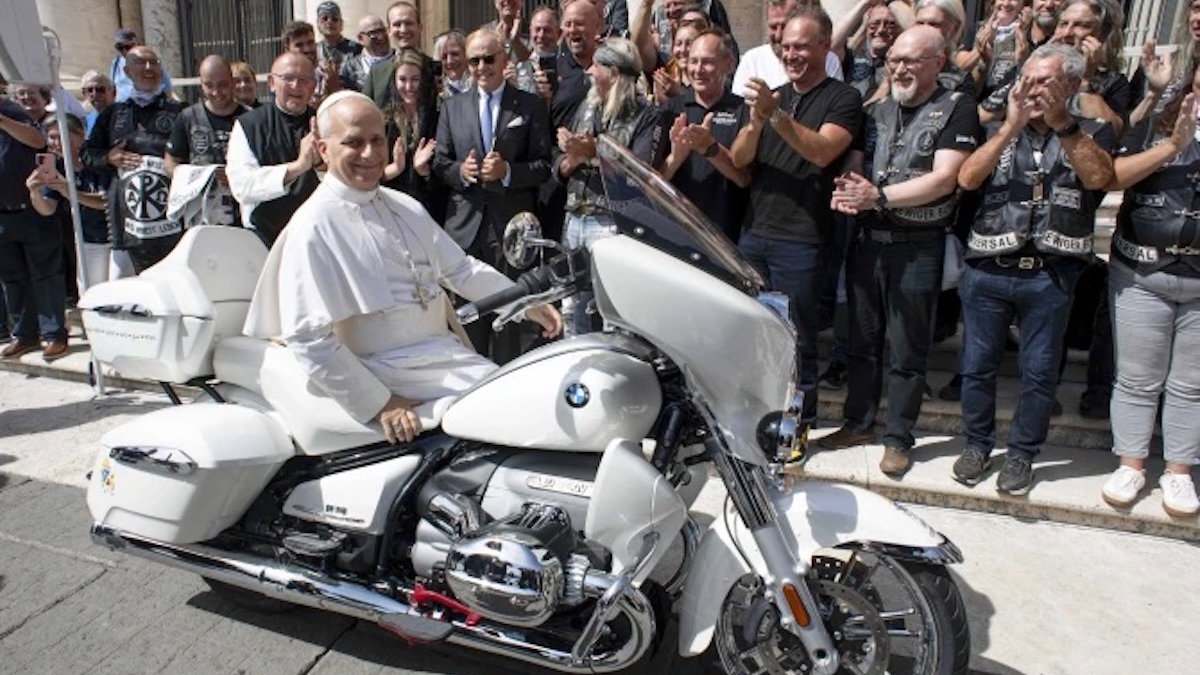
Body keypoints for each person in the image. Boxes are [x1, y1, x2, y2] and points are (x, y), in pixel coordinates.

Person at [242, 91, 561, 444]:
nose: (370, 153)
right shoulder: (314, 225)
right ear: (323, 149)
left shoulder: (404, 205)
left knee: (536, 396)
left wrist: (524, 304)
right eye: (353, 142)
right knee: (516, 410)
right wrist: (380, 403)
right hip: (383, 370)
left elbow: (462, 271)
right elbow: (307, 338)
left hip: (442, 357)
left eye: (377, 140)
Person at [952, 43, 1115, 495]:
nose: (1035, 89)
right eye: (1030, 80)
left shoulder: (1093, 130)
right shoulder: (995, 128)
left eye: (1047, 81)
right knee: (977, 366)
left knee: (1040, 372)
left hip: (1050, 273)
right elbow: (967, 179)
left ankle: (1022, 453)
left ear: (1073, 85)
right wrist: (1010, 127)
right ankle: (977, 444)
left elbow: (1099, 178)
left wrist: (1063, 124)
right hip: (989, 267)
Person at [820, 26, 980, 476]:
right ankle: (858, 423)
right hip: (868, 241)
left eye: (911, 60)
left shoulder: (957, 107)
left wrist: (879, 197)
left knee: (908, 347)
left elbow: (945, 178)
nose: (899, 68)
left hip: (918, 244)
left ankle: (898, 437)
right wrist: (849, 188)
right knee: (861, 341)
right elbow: (856, 162)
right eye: (894, 60)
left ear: (938, 62)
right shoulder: (875, 110)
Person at [730, 9, 862, 428]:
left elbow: (822, 151)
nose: (791, 54)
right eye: (786, 47)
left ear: (825, 46)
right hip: (755, 233)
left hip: (802, 238)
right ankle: (759, 417)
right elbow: (740, 159)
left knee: (797, 337)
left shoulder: (843, 98)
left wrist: (774, 116)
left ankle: (797, 425)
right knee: (755, 333)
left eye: (801, 46)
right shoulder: (774, 96)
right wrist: (755, 124)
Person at [1098, 64, 1200, 517]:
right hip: (1142, 270)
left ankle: (1179, 471)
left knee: (1192, 384)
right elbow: (1114, 175)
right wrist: (1174, 145)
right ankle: (1131, 465)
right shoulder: (1159, 116)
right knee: (1137, 377)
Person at [435, 30, 553, 362]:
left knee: (512, 322)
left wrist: (508, 172)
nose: (481, 67)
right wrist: (462, 171)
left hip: (511, 229)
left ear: (504, 59)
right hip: (466, 231)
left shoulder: (529, 105)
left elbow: (544, 166)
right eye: (474, 60)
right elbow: (440, 163)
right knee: (468, 325)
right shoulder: (452, 108)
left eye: (489, 59)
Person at [554, 37, 665, 337]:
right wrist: (568, 161)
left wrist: (593, 154)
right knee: (572, 309)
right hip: (575, 218)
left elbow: (640, 174)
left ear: (614, 73)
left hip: (612, 224)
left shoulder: (646, 115)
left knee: (613, 314)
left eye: (597, 66)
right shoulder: (587, 107)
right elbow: (561, 161)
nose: (589, 72)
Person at [82, 46, 185, 273]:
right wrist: (108, 157)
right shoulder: (112, 114)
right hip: (127, 229)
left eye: (153, 62)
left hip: (173, 229)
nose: (148, 68)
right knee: (125, 288)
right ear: (127, 72)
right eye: (140, 62)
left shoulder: (181, 112)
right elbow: (88, 154)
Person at [658, 30, 750, 243]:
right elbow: (652, 182)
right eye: (693, 61)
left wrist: (709, 148)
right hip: (677, 232)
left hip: (727, 236)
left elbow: (744, 178)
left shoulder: (743, 111)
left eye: (707, 62)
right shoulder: (670, 110)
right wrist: (675, 158)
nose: (698, 70)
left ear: (729, 64)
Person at [226, 53, 320, 248]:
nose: (296, 86)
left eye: (304, 80)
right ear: (271, 83)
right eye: (288, 78)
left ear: (313, 86)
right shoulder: (249, 125)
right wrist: (298, 167)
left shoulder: (323, 123)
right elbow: (242, 186)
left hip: (315, 234)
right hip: (263, 238)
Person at [0, 77, 65, 360]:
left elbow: (37, 140)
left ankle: (53, 334)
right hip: (3, 214)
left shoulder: (14, 112)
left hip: (33, 211)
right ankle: (24, 334)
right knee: (12, 278)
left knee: (46, 275)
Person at [28, 114, 110, 297]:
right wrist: (34, 192)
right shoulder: (57, 165)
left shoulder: (97, 159)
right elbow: (48, 208)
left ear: (80, 134)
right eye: (52, 137)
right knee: (92, 294)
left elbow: (106, 201)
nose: (58, 143)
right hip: (87, 239)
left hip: (113, 237)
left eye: (63, 136)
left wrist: (71, 193)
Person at [164, 55, 249, 228]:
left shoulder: (251, 118)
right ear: (201, 85)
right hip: (201, 218)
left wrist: (237, 177)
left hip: (243, 216)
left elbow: (265, 166)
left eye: (222, 84)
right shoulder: (188, 118)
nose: (216, 92)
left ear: (233, 82)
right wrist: (197, 179)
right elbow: (170, 162)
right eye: (209, 85)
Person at [731, 0, 843, 100]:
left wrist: (771, 111)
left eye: (784, 26)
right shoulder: (752, 61)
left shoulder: (827, 60)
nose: (778, 35)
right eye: (773, 27)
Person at [383, 49, 444, 221]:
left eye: (415, 79)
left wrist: (424, 171)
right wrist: (396, 167)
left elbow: (445, 178)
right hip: (391, 210)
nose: (409, 87)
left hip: (428, 211)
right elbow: (373, 176)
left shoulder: (437, 118)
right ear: (394, 81)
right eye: (402, 79)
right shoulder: (384, 120)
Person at [363, 2, 435, 110]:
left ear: (420, 27)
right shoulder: (376, 73)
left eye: (409, 23)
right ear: (389, 30)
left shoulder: (434, 69)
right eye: (397, 24)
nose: (403, 30)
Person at [109, 28, 173, 102]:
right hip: (123, 106)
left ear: (137, 45)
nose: (124, 51)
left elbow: (167, 89)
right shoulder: (116, 63)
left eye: (128, 47)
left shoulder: (151, 62)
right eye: (120, 47)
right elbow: (112, 88)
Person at [341, 15, 395, 93]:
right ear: (360, 38)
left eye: (382, 31)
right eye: (373, 33)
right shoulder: (350, 68)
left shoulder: (400, 59)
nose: (381, 37)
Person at [315, 1, 362, 70]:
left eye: (335, 19)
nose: (329, 22)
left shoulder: (356, 49)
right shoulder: (315, 50)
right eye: (325, 19)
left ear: (341, 23)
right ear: (318, 24)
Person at [435, 30, 472, 100]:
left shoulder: (480, 86)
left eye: (455, 54)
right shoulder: (436, 92)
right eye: (444, 57)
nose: (449, 61)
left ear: (466, 55)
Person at [80, 71, 116, 137]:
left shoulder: (124, 115)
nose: (95, 94)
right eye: (90, 90)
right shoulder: (86, 122)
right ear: (84, 94)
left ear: (113, 91)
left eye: (100, 89)